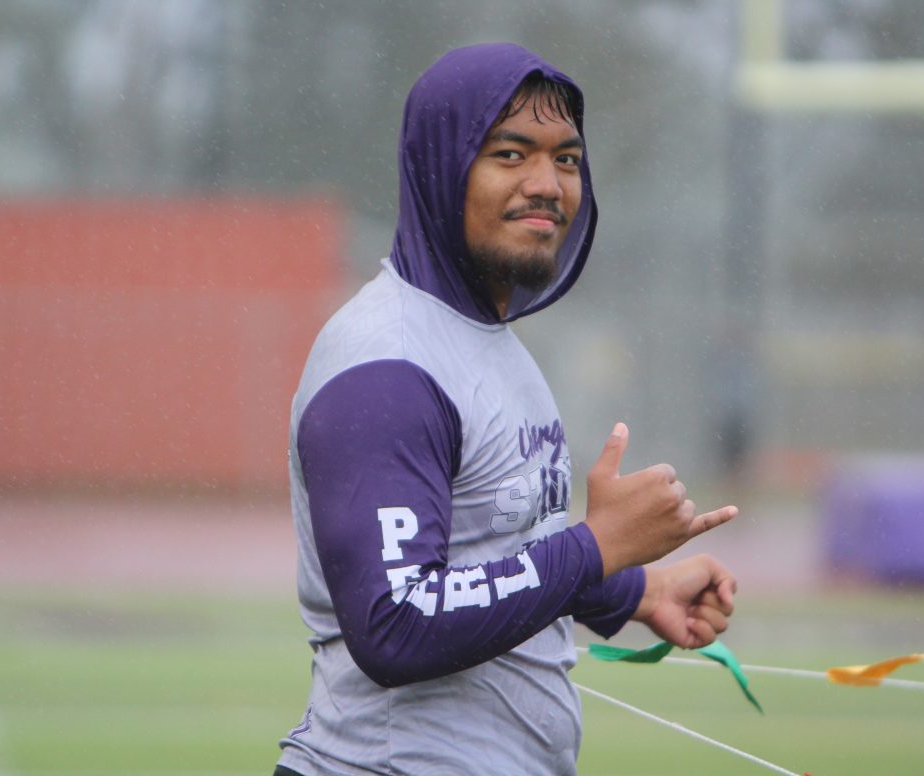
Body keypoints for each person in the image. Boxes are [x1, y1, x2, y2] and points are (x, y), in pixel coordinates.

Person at [275, 42, 738, 776]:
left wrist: (631, 589)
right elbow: (397, 624)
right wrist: (594, 547)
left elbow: (494, 554)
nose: (547, 184)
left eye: (568, 159)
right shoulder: (386, 367)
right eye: (511, 153)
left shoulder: (487, 342)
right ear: (441, 166)